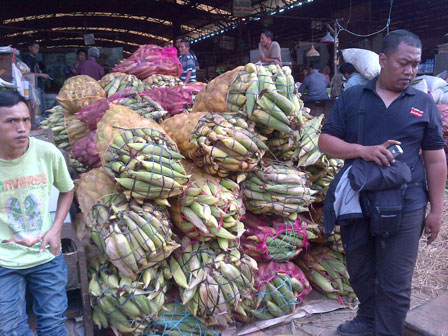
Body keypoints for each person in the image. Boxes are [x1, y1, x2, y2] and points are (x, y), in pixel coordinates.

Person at [318, 30, 446, 336]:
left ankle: (387, 330)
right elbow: (325, 141)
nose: (411, 71)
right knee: (361, 269)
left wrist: (437, 210)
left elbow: (435, 159)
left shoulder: (423, 103)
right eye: (403, 63)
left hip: (407, 202)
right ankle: (367, 319)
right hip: (358, 200)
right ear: (384, 60)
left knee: (396, 280)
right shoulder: (352, 97)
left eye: (415, 65)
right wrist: (362, 151)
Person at [0, 90, 75, 335]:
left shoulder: (46, 153)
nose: (22, 128)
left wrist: (55, 229)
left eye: (26, 120)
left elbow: (67, 190)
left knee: (53, 326)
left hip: (45, 255)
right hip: (4, 261)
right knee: (9, 329)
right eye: (11, 121)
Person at [21, 40, 50, 114]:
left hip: (38, 85)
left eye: (38, 48)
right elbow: (27, 72)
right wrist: (42, 75)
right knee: (37, 107)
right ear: (30, 48)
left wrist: (41, 76)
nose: (37, 50)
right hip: (34, 86)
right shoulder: (28, 59)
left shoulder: (34, 59)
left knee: (40, 106)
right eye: (35, 48)